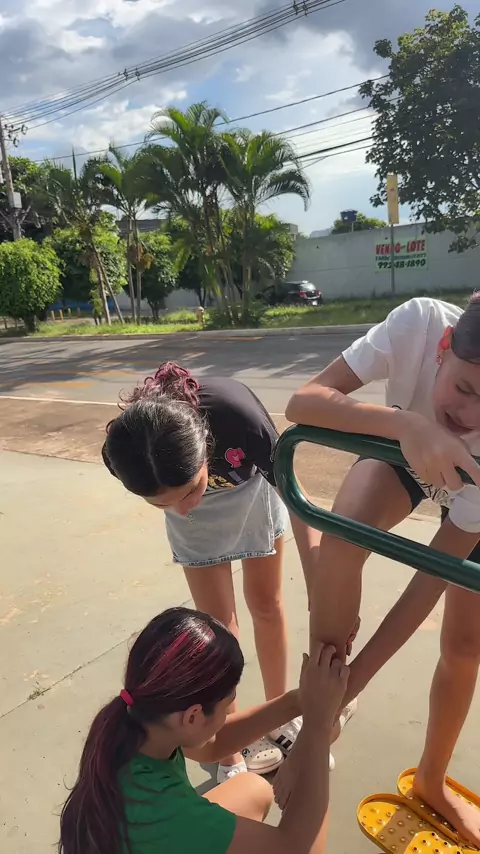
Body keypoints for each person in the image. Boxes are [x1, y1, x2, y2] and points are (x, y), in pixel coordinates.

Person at [281, 294, 480, 844]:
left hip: (475, 494)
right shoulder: (419, 323)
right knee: (341, 542)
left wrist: (338, 703)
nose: (470, 415)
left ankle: (431, 780)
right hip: (405, 449)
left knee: (464, 649)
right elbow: (304, 401)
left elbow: (428, 583)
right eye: (465, 388)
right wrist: (405, 424)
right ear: (444, 347)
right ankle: (316, 719)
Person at [102, 362, 334, 782]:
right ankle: (228, 750)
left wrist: (319, 580)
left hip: (250, 495)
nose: (182, 508)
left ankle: (281, 716)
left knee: (267, 604)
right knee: (218, 628)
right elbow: (180, 503)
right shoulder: (128, 449)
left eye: (190, 490)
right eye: (161, 504)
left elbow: (297, 501)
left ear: (206, 446)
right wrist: (181, 500)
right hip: (199, 529)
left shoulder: (238, 416)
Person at [58, 606, 349, 854]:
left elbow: (212, 745)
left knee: (254, 790)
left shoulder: (133, 721)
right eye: (226, 706)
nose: (226, 714)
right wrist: (318, 727)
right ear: (193, 716)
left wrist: (297, 702)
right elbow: (297, 850)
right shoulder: (165, 811)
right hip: (167, 826)